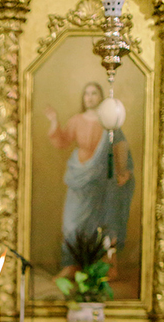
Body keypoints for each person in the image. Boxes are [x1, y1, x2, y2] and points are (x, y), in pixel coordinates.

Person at [45, 82, 134, 274]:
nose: (90, 97)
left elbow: (120, 145)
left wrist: (121, 170)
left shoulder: (108, 121)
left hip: (101, 179)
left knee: (100, 222)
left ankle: (100, 266)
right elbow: (62, 140)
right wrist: (53, 121)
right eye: (86, 94)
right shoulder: (77, 120)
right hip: (79, 175)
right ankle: (71, 265)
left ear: (101, 97)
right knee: (71, 222)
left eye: (94, 93)